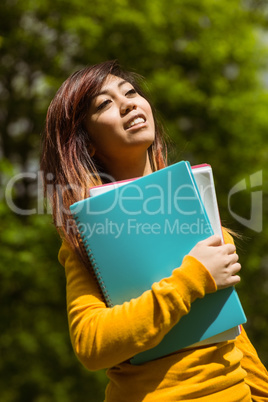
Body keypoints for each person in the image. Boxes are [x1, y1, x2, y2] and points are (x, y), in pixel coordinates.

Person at [41, 60, 268, 401]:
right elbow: (91, 344)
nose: (128, 103)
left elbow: (228, 331)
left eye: (130, 92)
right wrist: (194, 277)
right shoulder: (87, 232)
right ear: (87, 144)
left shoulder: (192, 196)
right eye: (104, 103)